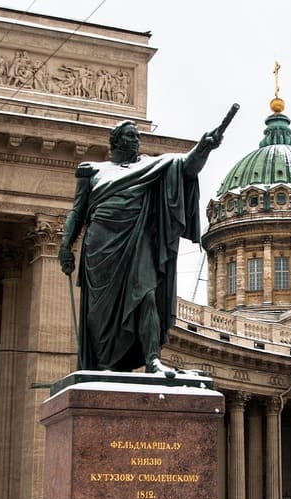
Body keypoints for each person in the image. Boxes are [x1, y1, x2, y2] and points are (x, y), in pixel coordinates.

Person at [58, 119, 222, 374]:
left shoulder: (151, 165)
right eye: (130, 136)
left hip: (138, 240)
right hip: (101, 246)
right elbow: (77, 212)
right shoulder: (92, 171)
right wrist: (65, 245)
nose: (136, 141)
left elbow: (186, 167)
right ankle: (105, 364)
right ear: (116, 141)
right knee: (101, 312)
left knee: (147, 296)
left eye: (137, 137)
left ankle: (152, 359)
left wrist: (204, 148)